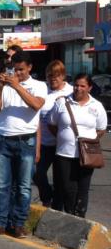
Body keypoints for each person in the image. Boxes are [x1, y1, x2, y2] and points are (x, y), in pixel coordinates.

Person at [0, 51, 47, 239]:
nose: (16, 73)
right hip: (3, 140)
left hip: (26, 140)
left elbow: (36, 104)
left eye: (20, 69)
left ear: (29, 67)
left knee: (24, 186)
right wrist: (1, 88)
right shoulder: (6, 85)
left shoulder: (39, 85)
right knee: (1, 185)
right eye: (14, 69)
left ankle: (18, 224)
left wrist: (17, 86)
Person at [47, 74, 107, 217]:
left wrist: (87, 142)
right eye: (76, 85)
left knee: (83, 188)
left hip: (87, 154)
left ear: (89, 88)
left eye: (82, 86)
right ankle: (71, 216)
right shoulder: (62, 102)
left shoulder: (96, 106)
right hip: (64, 154)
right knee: (68, 188)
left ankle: (80, 217)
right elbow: (52, 124)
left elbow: (101, 129)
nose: (78, 88)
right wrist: (64, 137)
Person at [34, 60, 72, 208]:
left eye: (56, 76)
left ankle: (57, 209)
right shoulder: (44, 89)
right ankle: (46, 197)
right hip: (43, 142)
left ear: (63, 76)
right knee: (37, 173)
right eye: (49, 76)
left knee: (60, 180)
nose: (52, 79)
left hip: (61, 144)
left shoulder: (70, 91)